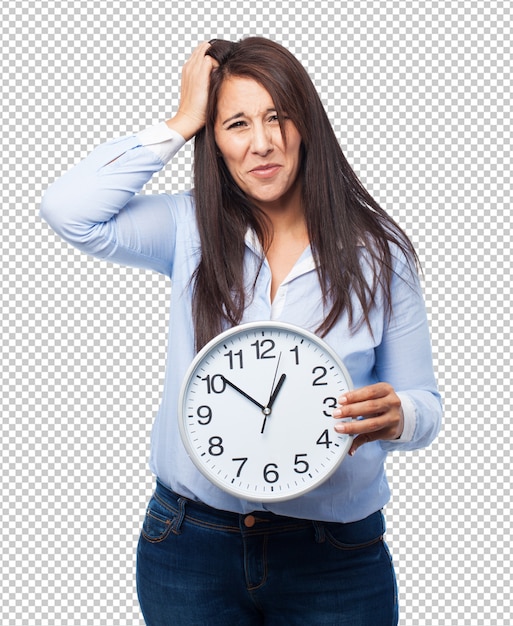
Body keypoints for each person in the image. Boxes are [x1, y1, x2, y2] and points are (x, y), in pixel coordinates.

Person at [40, 37, 442, 626]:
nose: (262, 144)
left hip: (335, 555)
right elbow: (66, 208)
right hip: (190, 546)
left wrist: (399, 415)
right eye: (236, 124)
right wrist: (181, 121)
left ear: (307, 125)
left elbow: (425, 405)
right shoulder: (187, 228)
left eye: (278, 117)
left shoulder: (378, 254)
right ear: (215, 140)